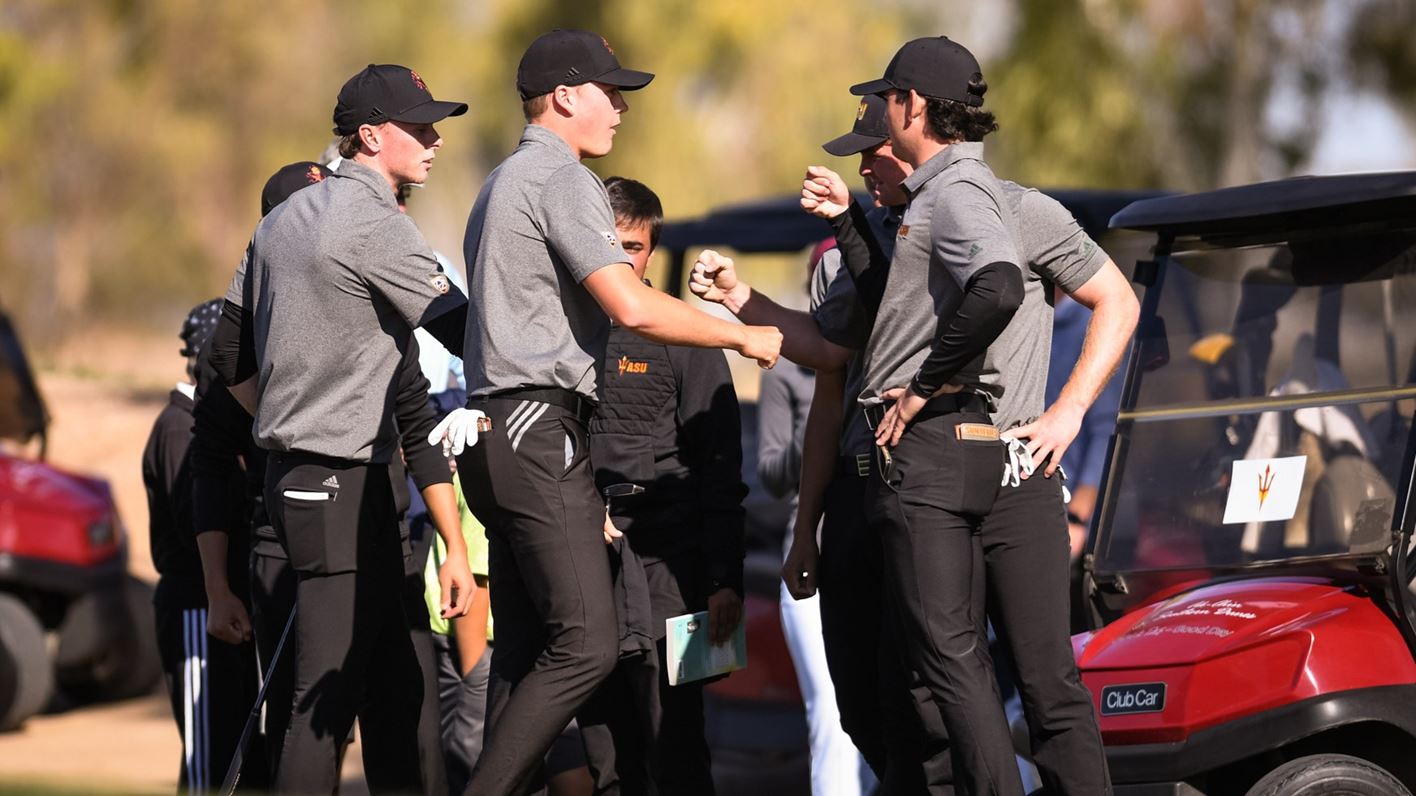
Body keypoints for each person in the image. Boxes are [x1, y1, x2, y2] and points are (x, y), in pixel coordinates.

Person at [439, 30, 780, 796]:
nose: (621, 109)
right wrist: (742, 333)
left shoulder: (500, 180)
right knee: (590, 651)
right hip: (536, 429)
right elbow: (627, 303)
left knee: (529, 655)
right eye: (610, 91)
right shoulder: (560, 178)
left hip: (503, 436)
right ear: (563, 96)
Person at [807, 36, 1136, 794]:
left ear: (912, 107)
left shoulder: (989, 203)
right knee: (958, 683)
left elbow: (1111, 299)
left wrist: (1066, 413)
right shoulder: (927, 209)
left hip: (986, 457)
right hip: (974, 460)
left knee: (993, 677)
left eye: (885, 100)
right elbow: (896, 310)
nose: (874, 123)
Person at [208, 64, 476, 794]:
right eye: (418, 127)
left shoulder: (279, 222)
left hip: (316, 482)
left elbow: (226, 354)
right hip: (336, 483)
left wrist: (280, 410)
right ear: (368, 135)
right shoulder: (369, 219)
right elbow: (460, 328)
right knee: (321, 704)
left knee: (399, 685)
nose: (434, 139)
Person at [692, 96, 932, 793]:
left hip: (931, 489)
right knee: (851, 708)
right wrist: (806, 530)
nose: (860, 166)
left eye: (871, 149)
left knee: (938, 697)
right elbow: (830, 363)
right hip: (851, 500)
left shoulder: (951, 230)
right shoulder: (845, 259)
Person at [578, 176, 747, 795]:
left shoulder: (690, 337)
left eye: (635, 247)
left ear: (652, 250)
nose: (623, 260)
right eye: (612, 243)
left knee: (676, 745)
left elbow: (722, 472)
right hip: (586, 567)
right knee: (602, 752)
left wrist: (725, 578)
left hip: (675, 577)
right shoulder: (562, 337)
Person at [190, 160, 331, 786]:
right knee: (291, 719)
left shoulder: (356, 310)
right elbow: (211, 474)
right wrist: (218, 589)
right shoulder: (237, 343)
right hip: (274, 553)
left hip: (365, 540)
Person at [145, 297, 263, 794]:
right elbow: (192, 518)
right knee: (204, 761)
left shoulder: (196, 426)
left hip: (212, 604)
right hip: (195, 603)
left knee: (228, 749)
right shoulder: (179, 428)